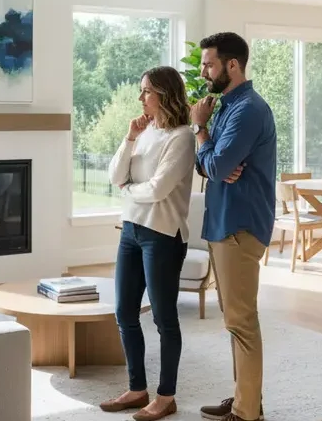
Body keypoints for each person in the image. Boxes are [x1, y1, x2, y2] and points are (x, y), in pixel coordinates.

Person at [101, 65, 196, 421]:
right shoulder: (143, 131)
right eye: (141, 91)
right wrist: (128, 138)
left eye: (147, 91)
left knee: (163, 318)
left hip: (163, 235)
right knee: (124, 312)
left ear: (165, 94)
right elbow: (115, 175)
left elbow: (158, 188)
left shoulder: (182, 137)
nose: (141, 98)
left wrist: (129, 190)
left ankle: (166, 396)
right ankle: (137, 389)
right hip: (131, 231)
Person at [190, 32, 277, 421]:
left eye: (208, 64)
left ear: (232, 65)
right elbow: (209, 166)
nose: (203, 71)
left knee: (242, 323)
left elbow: (215, 166)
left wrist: (201, 131)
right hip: (225, 222)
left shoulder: (247, 110)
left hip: (240, 226)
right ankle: (245, 399)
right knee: (234, 322)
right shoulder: (225, 106)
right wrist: (212, 158)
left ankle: (246, 414)